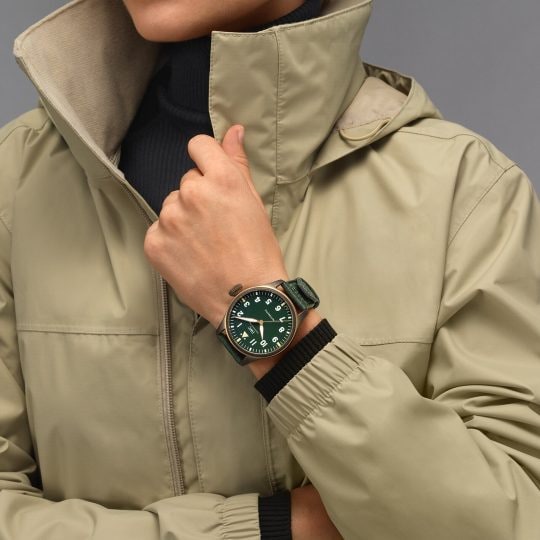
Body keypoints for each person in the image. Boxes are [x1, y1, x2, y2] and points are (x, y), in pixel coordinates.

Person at [0, 0, 539, 538]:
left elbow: (511, 522)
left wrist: (270, 319)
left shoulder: (465, 191)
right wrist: (267, 528)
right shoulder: (17, 178)